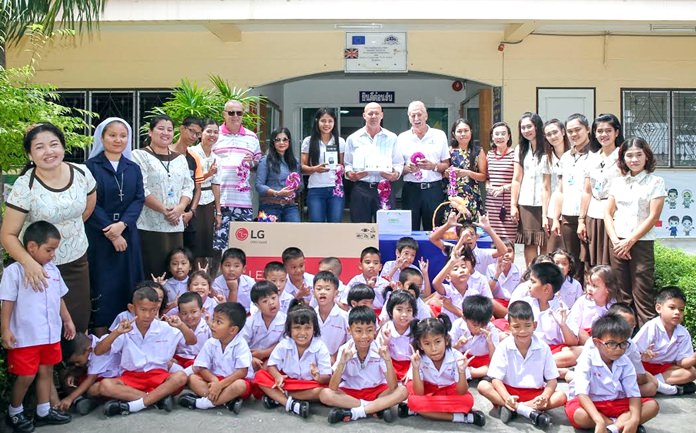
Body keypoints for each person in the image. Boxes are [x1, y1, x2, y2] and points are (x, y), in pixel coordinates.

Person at [1, 123, 96, 333]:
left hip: (76, 261)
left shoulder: (82, 173)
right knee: (39, 327)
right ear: (30, 154)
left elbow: (87, 209)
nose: (49, 151)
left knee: (77, 322)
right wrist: (29, 263)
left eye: (54, 144)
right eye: (40, 147)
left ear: (63, 146)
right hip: (37, 268)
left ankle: (75, 365)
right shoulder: (24, 186)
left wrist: (69, 234)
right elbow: (7, 235)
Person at [1, 221, 76, 431]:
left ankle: (43, 411)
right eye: (49, 250)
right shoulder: (14, 272)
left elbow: (59, 297)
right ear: (32, 247)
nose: (52, 255)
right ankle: (14, 411)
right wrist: (5, 329)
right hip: (26, 336)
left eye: (54, 250)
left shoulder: (53, 270)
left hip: (50, 335)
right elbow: (7, 302)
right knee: (26, 375)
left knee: (46, 371)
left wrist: (67, 320)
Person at [95, 286, 194, 417]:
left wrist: (181, 326)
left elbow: (192, 341)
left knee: (180, 376)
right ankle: (157, 399)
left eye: (153, 310)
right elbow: (98, 351)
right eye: (143, 310)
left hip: (159, 377)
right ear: (132, 308)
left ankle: (134, 405)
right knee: (105, 386)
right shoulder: (124, 329)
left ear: (157, 309)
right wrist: (116, 333)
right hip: (131, 377)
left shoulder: (165, 327)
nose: (147, 315)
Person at [85, 117, 145, 335]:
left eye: (123, 135)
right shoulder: (90, 167)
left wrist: (122, 225)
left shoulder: (133, 168)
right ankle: (100, 333)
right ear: (102, 138)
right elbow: (90, 203)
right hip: (100, 235)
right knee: (103, 282)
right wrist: (111, 231)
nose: (118, 140)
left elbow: (139, 198)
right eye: (112, 135)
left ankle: (128, 330)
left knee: (128, 280)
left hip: (127, 232)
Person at [477, 301, 567, 430]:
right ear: (508, 327)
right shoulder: (504, 346)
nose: (522, 331)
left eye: (527, 325)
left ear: (535, 325)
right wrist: (507, 397)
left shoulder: (543, 347)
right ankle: (526, 411)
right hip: (509, 392)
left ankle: (515, 409)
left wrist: (544, 396)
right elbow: (496, 379)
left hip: (535, 394)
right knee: (483, 386)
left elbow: (552, 380)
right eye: (517, 326)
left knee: (561, 397)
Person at [604, 137, 666, 325]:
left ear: (646, 156)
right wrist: (616, 240)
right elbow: (608, 213)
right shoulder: (618, 182)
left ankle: (648, 342)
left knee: (642, 292)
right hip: (617, 243)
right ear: (623, 158)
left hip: (641, 243)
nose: (634, 159)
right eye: (629, 155)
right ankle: (624, 337)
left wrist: (630, 241)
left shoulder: (655, 181)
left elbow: (653, 217)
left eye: (638, 155)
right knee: (621, 293)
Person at [565, 315, 659, 433]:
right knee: (579, 415)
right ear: (597, 343)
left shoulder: (625, 361)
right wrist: (599, 420)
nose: (619, 349)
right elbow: (582, 394)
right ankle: (620, 425)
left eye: (623, 344)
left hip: (617, 403)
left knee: (652, 406)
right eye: (612, 344)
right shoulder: (586, 360)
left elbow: (633, 393)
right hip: (592, 404)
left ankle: (613, 429)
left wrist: (634, 419)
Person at [319, 306, 408, 424]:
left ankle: (355, 412)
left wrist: (387, 360)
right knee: (325, 394)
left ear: (375, 331)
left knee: (402, 391)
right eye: (358, 331)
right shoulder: (344, 349)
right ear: (349, 330)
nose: (364, 336)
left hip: (377, 392)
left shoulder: (380, 349)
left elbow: (392, 387)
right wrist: (342, 362)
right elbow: (333, 387)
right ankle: (374, 408)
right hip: (351, 393)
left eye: (369, 330)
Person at [131, 115, 194, 279]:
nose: (165, 133)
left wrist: (180, 209)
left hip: (175, 225)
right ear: (150, 132)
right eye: (160, 128)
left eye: (169, 129)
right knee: (152, 270)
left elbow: (188, 186)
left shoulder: (180, 158)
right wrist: (164, 211)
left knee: (175, 269)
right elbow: (140, 188)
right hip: (149, 225)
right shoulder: (139, 155)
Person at [400, 316, 486, 425]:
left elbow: (462, 391)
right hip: (427, 390)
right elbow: (419, 392)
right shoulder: (418, 358)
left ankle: (415, 411)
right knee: (413, 399)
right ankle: (461, 418)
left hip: (449, 391)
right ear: (420, 345)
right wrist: (416, 368)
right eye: (427, 344)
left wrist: (461, 372)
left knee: (468, 401)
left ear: (446, 340)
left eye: (437, 341)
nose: (434, 348)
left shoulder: (457, 356)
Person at [255, 303, 332, 418]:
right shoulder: (284, 344)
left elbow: (327, 377)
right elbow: (272, 365)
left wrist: (318, 375)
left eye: (307, 328)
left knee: (325, 391)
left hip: (310, 385)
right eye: (297, 328)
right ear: (289, 329)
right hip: (288, 382)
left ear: (314, 328)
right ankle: (291, 404)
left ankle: (280, 399)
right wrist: (277, 376)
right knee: (259, 376)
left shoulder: (320, 347)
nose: (302, 333)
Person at [178, 302, 253, 412]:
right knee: (193, 379)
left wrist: (221, 384)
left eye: (219, 322)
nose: (213, 325)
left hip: (233, 381)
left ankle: (203, 403)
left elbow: (242, 372)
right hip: (214, 380)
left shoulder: (241, 344)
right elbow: (202, 367)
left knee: (240, 386)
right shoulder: (210, 343)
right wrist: (214, 381)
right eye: (213, 320)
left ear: (232, 330)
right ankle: (227, 400)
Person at [212, 100, 262, 255]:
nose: (235, 116)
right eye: (231, 112)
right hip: (219, 202)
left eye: (239, 113)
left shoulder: (252, 137)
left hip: (243, 202)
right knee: (217, 248)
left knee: (243, 249)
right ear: (224, 114)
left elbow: (258, 163)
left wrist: (252, 162)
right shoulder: (214, 134)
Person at [578, 114, 624, 272]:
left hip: (615, 216)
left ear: (616, 132)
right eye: (600, 131)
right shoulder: (591, 158)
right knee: (592, 260)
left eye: (608, 130)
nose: (604, 135)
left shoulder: (623, 157)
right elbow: (587, 191)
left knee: (612, 261)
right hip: (593, 215)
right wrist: (581, 220)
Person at [344, 103, 402, 223]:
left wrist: (395, 174)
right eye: (370, 113)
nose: (373, 116)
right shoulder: (353, 138)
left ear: (382, 115)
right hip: (361, 188)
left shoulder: (392, 137)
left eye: (377, 113)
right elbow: (348, 163)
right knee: (360, 230)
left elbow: (398, 163)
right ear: (364, 115)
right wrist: (351, 174)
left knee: (386, 228)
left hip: (384, 188)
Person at [551, 113, 592, 283]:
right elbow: (560, 190)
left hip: (589, 216)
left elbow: (588, 190)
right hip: (568, 215)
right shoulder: (566, 157)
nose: (574, 134)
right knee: (571, 259)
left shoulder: (595, 156)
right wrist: (556, 218)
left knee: (588, 259)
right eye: (570, 131)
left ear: (588, 129)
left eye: (578, 130)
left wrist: (583, 219)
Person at [634, 287, 696, 395]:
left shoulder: (683, 333)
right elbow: (631, 353)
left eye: (681, 309)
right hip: (645, 368)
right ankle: (669, 389)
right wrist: (643, 356)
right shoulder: (651, 327)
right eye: (672, 307)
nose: (677, 312)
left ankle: (656, 384)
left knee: (691, 373)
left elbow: (682, 362)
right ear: (659, 308)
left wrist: (693, 358)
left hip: (663, 370)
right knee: (637, 373)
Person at [399, 101, 450, 231]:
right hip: (411, 190)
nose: (416, 119)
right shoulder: (402, 138)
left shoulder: (439, 135)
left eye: (419, 114)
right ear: (408, 117)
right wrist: (407, 168)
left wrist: (433, 166)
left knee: (434, 230)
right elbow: (397, 168)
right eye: (412, 115)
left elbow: (446, 164)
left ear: (426, 116)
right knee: (409, 230)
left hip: (433, 190)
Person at [511, 112, 548, 265]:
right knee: (530, 242)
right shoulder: (521, 148)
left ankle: (546, 274)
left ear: (537, 127)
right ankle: (531, 274)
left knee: (546, 241)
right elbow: (517, 179)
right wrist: (513, 204)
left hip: (546, 201)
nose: (526, 130)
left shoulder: (548, 147)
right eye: (523, 127)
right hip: (526, 201)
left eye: (529, 126)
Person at [301, 108, 347, 223]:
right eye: (323, 121)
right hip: (316, 189)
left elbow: (343, 166)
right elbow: (302, 167)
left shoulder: (340, 141)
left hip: (335, 189)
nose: (326, 124)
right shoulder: (308, 141)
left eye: (330, 121)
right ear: (317, 121)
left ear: (334, 122)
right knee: (317, 226)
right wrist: (314, 169)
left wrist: (341, 169)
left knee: (335, 225)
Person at [58, 332, 120, 415]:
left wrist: (70, 398)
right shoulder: (86, 349)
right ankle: (80, 400)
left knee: (92, 389)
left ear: (89, 350)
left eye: (77, 362)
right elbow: (84, 367)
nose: (76, 364)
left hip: (111, 378)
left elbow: (91, 379)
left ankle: (89, 400)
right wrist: (73, 374)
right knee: (68, 379)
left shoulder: (98, 352)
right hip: (96, 376)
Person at [171, 117, 204, 264]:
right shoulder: (166, 153)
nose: (194, 137)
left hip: (187, 216)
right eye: (192, 131)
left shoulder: (194, 158)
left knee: (189, 255)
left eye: (198, 134)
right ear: (182, 128)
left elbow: (197, 188)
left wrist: (191, 212)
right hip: (167, 212)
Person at [187, 119, 219, 270]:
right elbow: (192, 180)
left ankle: (204, 277)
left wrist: (218, 211)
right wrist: (208, 174)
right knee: (195, 240)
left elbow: (216, 184)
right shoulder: (192, 153)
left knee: (207, 241)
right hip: (193, 199)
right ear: (201, 134)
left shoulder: (216, 157)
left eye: (215, 132)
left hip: (209, 201)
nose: (212, 135)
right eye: (208, 131)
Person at [444, 118, 487, 222]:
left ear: (471, 132)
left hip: (472, 197)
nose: (463, 134)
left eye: (466, 131)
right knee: (452, 229)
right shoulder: (449, 151)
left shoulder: (478, 151)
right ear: (454, 134)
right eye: (459, 131)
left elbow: (483, 176)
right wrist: (447, 173)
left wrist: (467, 173)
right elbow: (443, 174)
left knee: (472, 230)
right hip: (453, 197)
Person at [256, 127, 302, 222]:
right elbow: (259, 186)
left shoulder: (295, 162)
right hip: (269, 205)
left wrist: (295, 187)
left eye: (285, 139)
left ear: (289, 142)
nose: (281, 143)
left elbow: (301, 185)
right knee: (270, 236)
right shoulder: (265, 160)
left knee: (295, 234)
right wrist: (277, 193)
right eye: (277, 140)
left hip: (290, 206)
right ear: (273, 142)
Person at [450, 295, 499, 379]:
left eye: (484, 324)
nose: (479, 328)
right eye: (475, 325)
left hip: (484, 362)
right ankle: (469, 374)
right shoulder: (458, 324)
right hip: (463, 359)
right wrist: (458, 345)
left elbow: (495, 359)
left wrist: (490, 343)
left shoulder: (491, 329)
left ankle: (471, 374)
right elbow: (449, 351)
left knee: (495, 367)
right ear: (465, 318)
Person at [241, 281, 286, 370]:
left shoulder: (286, 320)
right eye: (265, 301)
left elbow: (284, 344)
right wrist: (251, 358)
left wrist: (264, 353)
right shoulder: (250, 322)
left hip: (275, 356)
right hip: (251, 357)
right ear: (257, 305)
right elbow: (241, 344)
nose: (271, 303)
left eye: (273, 298)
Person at [541, 119, 570, 253]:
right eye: (549, 134)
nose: (553, 137)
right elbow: (546, 188)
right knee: (553, 249)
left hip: (572, 207)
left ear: (563, 132)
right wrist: (544, 216)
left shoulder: (574, 155)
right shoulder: (546, 158)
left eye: (555, 132)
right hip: (553, 209)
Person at [485, 121, 517, 241]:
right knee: (492, 239)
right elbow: (487, 177)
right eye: (496, 134)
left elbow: (519, 180)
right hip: (492, 204)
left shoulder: (515, 154)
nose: (499, 137)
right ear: (492, 137)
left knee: (508, 241)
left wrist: (503, 188)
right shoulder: (489, 155)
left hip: (508, 204)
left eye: (503, 134)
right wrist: (488, 186)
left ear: (508, 136)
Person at [378, 291, 417, 381]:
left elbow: (420, 355)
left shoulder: (416, 329)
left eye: (409, 310)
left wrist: (411, 371)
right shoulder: (386, 328)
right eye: (399, 309)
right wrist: (386, 342)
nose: (404, 314)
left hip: (412, 365)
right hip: (390, 365)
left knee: (411, 387)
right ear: (391, 311)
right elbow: (380, 352)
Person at [313, 271, 349, 363]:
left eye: (327, 289)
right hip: (313, 361)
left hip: (339, 361)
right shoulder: (310, 315)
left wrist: (335, 356)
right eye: (319, 289)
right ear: (313, 292)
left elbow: (350, 342)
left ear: (336, 293)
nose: (322, 292)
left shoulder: (344, 317)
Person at [173, 292, 211, 369]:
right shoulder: (176, 327)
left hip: (199, 361)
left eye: (194, 312)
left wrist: (211, 326)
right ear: (179, 313)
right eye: (184, 313)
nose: (189, 316)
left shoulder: (208, 326)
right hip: (179, 359)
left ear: (202, 310)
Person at [212, 247, 255, 313]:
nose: (231, 269)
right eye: (227, 265)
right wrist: (233, 290)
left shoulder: (250, 282)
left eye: (236, 266)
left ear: (244, 268)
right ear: (220, 267)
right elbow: (229, 312)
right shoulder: (216, 284)